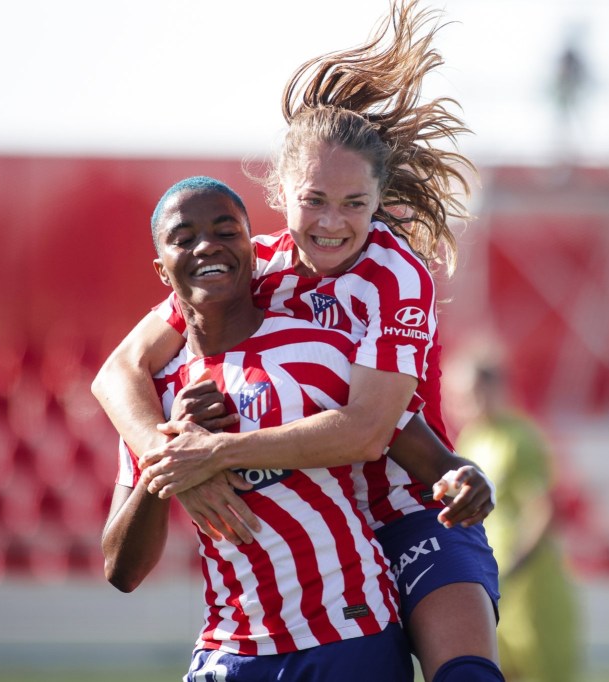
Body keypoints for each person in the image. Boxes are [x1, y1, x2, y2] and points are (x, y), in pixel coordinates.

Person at [91, 3, 503, 681]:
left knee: (467, 676)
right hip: (317, 531)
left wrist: (212, 455)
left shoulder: (393, 273)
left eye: (355, 204)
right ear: (280, 193)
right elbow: (119, 371)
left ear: (378, 201)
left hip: (408, 507)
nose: (333, 223)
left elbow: (370, 431)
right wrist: (173, 465)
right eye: (314, 200)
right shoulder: (249, 264)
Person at [102, 176, 413, 681]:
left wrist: (461, 478)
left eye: (226, 232)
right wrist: (173, 458)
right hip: (231, 647)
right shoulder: (152, 403)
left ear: (254, 249)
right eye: (184, 238)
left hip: (348, 632)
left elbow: (400, 438)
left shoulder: (320, 349)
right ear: (161, 268)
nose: (207, 246)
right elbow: (122, 570)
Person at [449, 349, 583, 682]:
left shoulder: (520, 438)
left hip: (528, 583)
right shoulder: (471, 440)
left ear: (495, 388)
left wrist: (513, 566)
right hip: (493, 578)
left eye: (474, 392)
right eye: (460, 395)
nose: (466, 403)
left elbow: (543, 511)